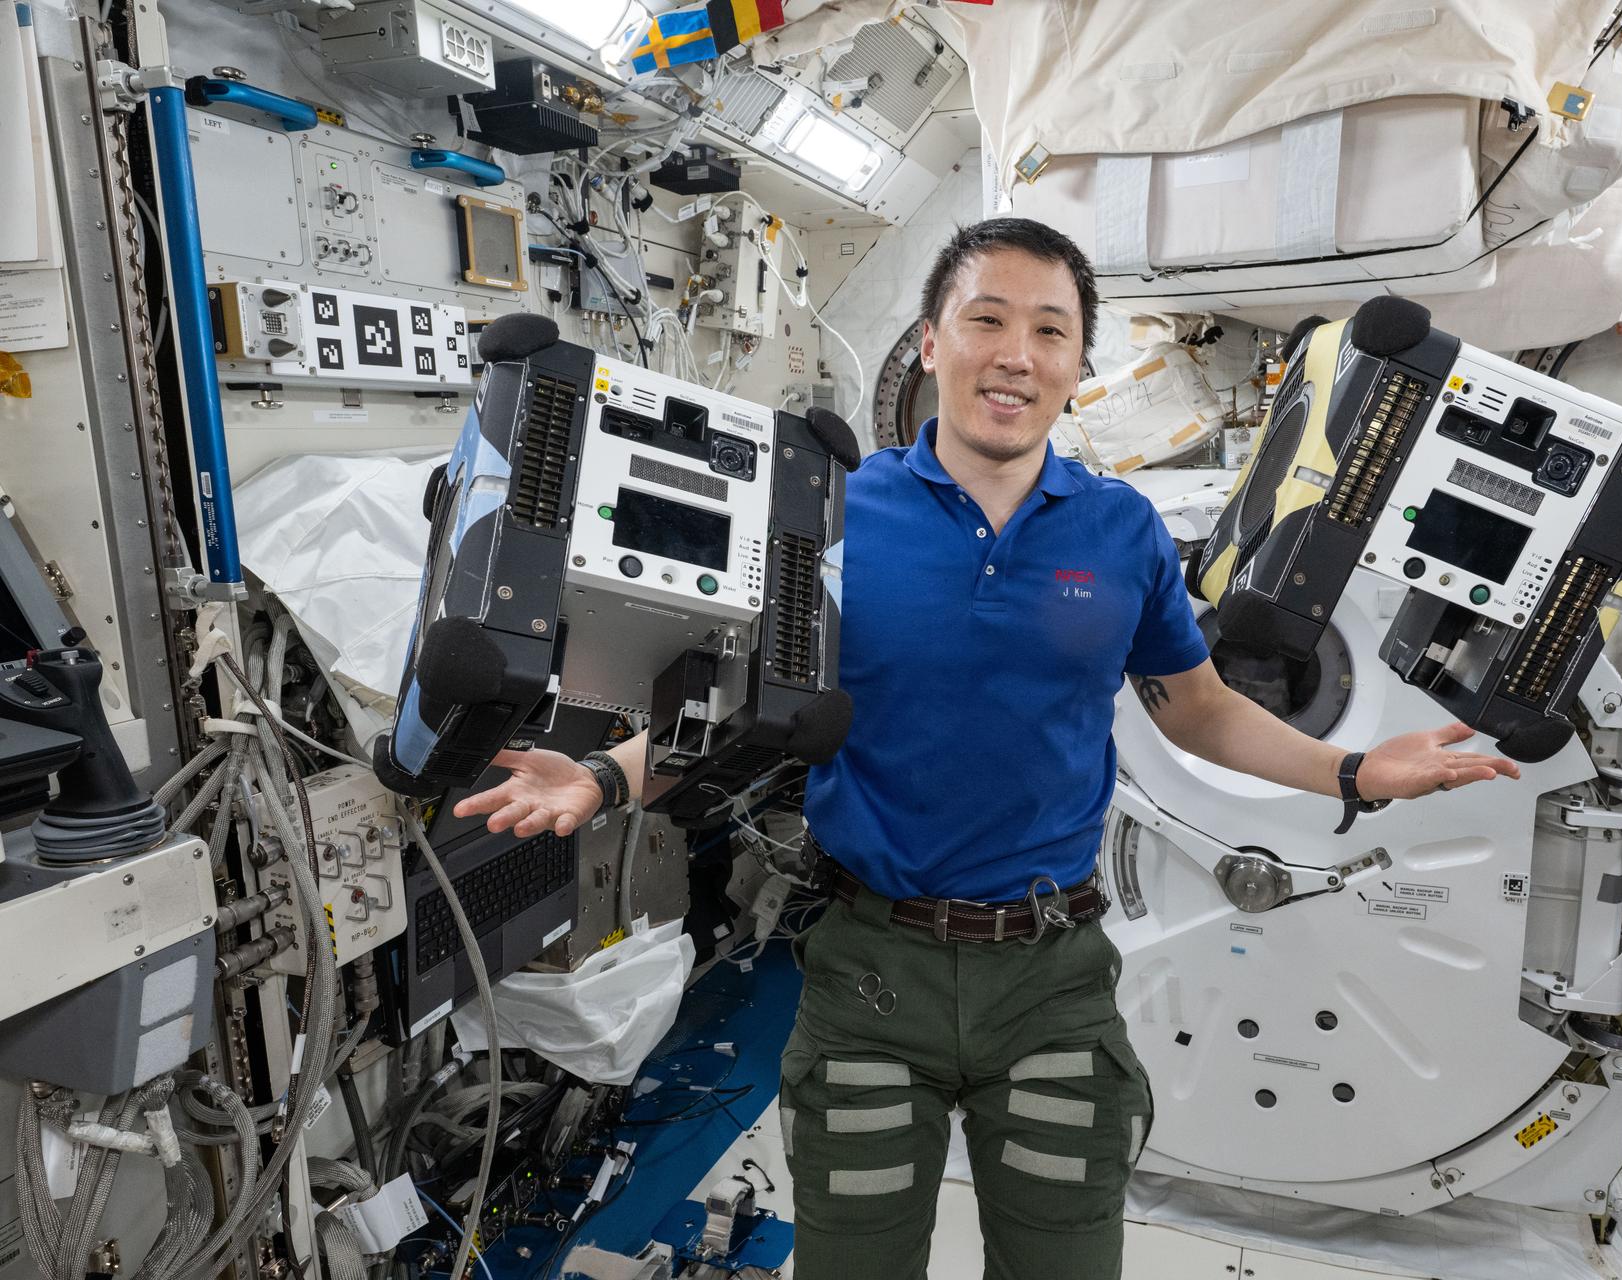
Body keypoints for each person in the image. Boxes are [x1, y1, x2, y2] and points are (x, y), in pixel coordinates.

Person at [452, 217, 1520, 1280]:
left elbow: (1196, 708)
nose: (1016, 354)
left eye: (1050, 331)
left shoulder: (1123, 530)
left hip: (1052, 978)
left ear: (1077, 364)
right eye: (987, 319)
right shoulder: (832, 519)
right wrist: (600, 777)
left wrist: (1354, 769)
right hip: (874, 970)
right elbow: (747, 705)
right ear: (930, 341)